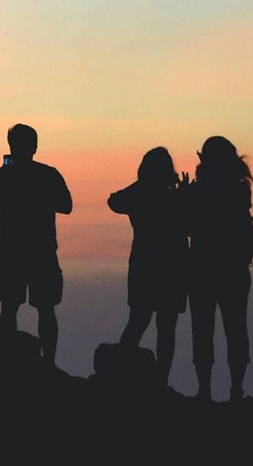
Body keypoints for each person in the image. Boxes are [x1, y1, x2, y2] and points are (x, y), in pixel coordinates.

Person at [0, 124, 72, 366]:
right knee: (45, 309)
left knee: (9, 308)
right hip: (42, 252)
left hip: (11, 253)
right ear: (35, 147)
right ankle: (49, 363)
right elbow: (66, 205)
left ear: (11, 146)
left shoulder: (0, 175)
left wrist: (4, 177)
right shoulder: (48, 174)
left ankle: (8, 363)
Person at [108, 147, 188, 384]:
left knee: (139, 321)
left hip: (145, 264)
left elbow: (114, 200)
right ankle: (161, 381)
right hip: (172, 265)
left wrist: (143, 184)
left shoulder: (140, 195)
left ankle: (119, 374)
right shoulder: (175, 197)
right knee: (166, 327)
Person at [186, 136, 253, 402]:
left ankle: (204, 391)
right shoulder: (240, 190)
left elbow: (187, 226)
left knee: (202, 331)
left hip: (202, 268)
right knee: (236, 330)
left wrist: (183, 195)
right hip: (234, 269)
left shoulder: (198, 192)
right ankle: (236, 390)